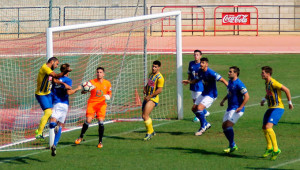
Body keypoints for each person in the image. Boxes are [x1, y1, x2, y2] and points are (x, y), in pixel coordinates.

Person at [183, 57, 228, 136]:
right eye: (201, 62)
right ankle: (206, 124)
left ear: (207, 64)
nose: (201, 64)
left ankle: (203, 127)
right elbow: (196, 80)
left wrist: (231, 89)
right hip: (204, 93)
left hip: (211, 95)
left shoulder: (211, 73)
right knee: (193, 109)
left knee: (199, 108)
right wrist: (189, 81)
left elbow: (223, 80)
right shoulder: (200, 71)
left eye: (203, 63)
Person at [260, 66, 293, 161]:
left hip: (278, 108)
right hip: (270, 108)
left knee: (268, 127)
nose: (261, 74)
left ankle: (276, 149)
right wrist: (264, 99)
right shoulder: (267, 83)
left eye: (263, 73)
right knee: (264, 127)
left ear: (268, 74)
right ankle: (269, 147)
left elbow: (287, 90)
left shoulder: (274, 82)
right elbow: (269, 93)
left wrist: (289, 103)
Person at [35, 57, 72, 141]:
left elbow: (55, 79)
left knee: (51, 113)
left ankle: (45, 128)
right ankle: (39, 132)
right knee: (48, 112)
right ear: (52, 62)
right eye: (56, 64)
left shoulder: (49, 70)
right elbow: (55, 75)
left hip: (48, 94)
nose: (56, 66)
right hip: (41, 94)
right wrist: (65, 71)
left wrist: (62, 83)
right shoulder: (45, 68)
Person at [49, 63, 82, 156]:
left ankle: (53, 125)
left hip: (56, 103)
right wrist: (77, 89)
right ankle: (54, 144)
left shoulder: (54, 79)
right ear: (68, 72)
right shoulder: (68, 80)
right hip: (65, 105)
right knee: (60, 125)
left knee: (52, 123)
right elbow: (68, 92)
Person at [75, 67, 112, 149]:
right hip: (92, 104)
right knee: (88, 120)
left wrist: (108, 97)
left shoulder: (107, 83)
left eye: (100, 72)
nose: (99, 73)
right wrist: (85, 89)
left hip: (101, 105)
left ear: (103, 74)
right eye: (98, 72)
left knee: (101, 122)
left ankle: (100, 141)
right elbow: (83, 92)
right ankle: (80, 137)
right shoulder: (91, 82)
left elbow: (109, 93)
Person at [220, 66, 249, 153]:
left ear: (235, 73)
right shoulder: (230, 82)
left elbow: (247, 96)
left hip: (237, 109)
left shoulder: (239, 84)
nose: (228, 73)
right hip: (230, 107)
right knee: (224, 126)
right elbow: (230, 93)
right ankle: (232, 145)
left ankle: (232, 145)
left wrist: (240, 107)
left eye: (230, 72)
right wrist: (223, 100)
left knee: (228, 125)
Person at [142, 60, 164, 141]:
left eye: (155, 67)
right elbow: (149, 84)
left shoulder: (160, 78)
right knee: (144, 116)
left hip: (153, 98)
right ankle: (152, 131)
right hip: (148, 97)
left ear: (158, 68)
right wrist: (145, 88)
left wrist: (150, 96)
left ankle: (149, 133)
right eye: (153, 66)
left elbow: (159, 90)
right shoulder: (151, 75)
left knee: (145, 116)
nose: (153, 68)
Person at [187, 50, 210, 122]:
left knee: (198, 102)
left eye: (197, 55)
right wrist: (188, 80)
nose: (195, 56)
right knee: (194, 101)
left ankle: (200, 116)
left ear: (200, 56)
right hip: (192, 85)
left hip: (199, 86)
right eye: (194, 55)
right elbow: (189, 73)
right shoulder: (191, 63)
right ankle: (206, 113)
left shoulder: (201, 65)